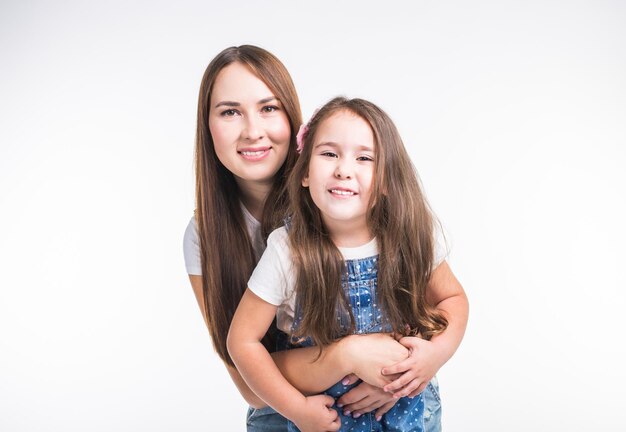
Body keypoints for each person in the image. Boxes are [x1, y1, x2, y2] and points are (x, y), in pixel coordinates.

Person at [184, 46, 439, 431]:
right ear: (208, 126)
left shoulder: (348, 201)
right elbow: (250, 382)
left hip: (396, 401)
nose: (253, 130)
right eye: (230, 111)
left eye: (268, 108)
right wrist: (351, 357)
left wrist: (405, 372)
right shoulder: (214, 237)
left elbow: (445, 305)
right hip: (293, 407)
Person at [227, 97, 468, 431]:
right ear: (305, 174)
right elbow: (242, 342)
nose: (343, 169)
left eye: (364, 158)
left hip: (405, 417)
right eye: (328, 154)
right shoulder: (288, 250)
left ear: (386, 180)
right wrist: (297, 409)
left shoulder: (411, 235)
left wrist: (435, 355)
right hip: (325, 421)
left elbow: (452, 299)